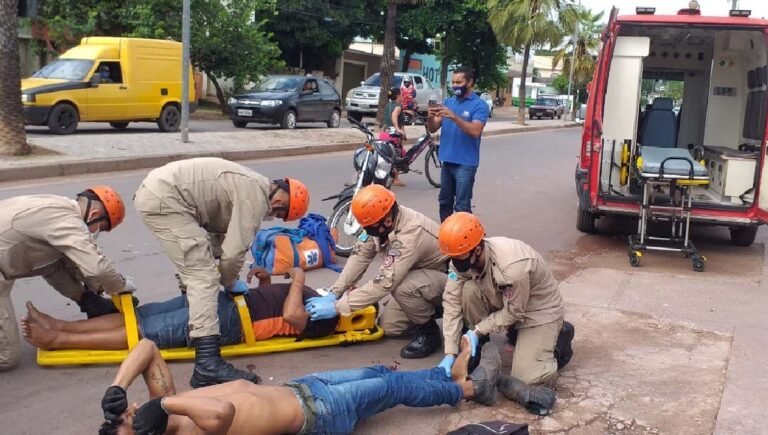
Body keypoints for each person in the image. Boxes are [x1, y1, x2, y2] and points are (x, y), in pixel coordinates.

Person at [133, 157, 310, 388]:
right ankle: (207, 363)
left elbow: (218, 236)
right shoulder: (256, 197)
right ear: (279, 198)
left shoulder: (249, 186)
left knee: (199, 265)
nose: (275, 215)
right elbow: (234, 253)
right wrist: (229, 282)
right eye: (280, 211)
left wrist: (217, 281)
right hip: (166, 199)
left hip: (162, 194)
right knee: (203, 277)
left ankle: (192, 309)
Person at [97, 334, 499, 434]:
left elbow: (147, 348)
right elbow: (222, 413)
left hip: (303, 386)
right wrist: (165, 406)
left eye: (125, 412)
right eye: (130, 420)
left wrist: (116, 387)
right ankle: (465, 390)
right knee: (392, 390)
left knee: (380, 375)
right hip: (319, 414)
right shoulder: (179, 418)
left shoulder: (164, 403)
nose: (132, 410)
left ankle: (443, 375)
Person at [436, 212, 575, 416]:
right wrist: (450, 352)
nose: (455, 262)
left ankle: (559, 339)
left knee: (527, 378)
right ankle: (480, 348)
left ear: (477, 250)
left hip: (538, 309)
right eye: (452, 258)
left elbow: (514, 312)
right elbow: (451, 301)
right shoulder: (461, 255)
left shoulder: (512, 267)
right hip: (506, 299)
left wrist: (478, 330)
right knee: (468, 291)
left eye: (458, 258)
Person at [20, 268, 339, 355]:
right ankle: (60, 325)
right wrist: (266, 281)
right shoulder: (321, 298)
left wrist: (298, 279)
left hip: (231, 322)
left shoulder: (329, 318)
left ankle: (58, 340)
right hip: (226, 303)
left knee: (147, 332)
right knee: (141, 316)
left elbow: (291, 317)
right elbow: (274, 306)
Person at [0, 186, 136, 371]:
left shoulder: (57, 206)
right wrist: (120, 286)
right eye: (102, 228)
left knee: (58, 261)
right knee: (7, 357)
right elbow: (97, 267)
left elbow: (58, 266)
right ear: (95, 214)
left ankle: (88, 300)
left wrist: (89, 298)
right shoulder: (67, 222)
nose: (97, 233)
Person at [305, 185, 448, 359]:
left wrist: (338, 307)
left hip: (446, 281)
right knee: (390, 327)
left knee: (401, 288)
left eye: (369, 227)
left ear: (386, 221)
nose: (366, 230)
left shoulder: (410, 234)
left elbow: (385, 282)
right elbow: (360, 255)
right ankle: (427, 308)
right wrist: (335, 292)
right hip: (419, 277)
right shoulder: (379, 220)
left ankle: (430, 333)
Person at [427, 66, 490, 222]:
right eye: (453, 82)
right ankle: (446, 233)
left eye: (459, 82)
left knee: (462, 206)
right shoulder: (448, 102)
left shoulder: (480, 105)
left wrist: (454, 116)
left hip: (465, 164)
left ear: (469, 82)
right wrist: (429, 117)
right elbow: (433, 128)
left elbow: (475, 130)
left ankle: (466, 236)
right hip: (447, 161)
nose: (455, 86)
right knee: (444, 203)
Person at [380, 87, 407, 186]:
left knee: (388, 156)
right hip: (393, 135)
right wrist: (398, 129)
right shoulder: (398, 106)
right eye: (401, 94)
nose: (402, 96)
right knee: (398, 156)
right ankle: (396, 178)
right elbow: (394, 116)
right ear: (398, 96)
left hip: (384, 133)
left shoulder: (388, 105)